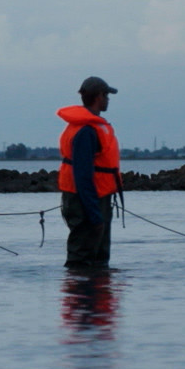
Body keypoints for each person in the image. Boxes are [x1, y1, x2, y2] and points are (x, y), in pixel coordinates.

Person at [57, 76, 120, 267]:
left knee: (98, 259)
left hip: (93, 198)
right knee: (82, 258)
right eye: (106, 95)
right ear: (99, 96)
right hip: (87, 200)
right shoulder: (86, 131)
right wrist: (94, 215)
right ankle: (79, 286)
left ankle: (95, 285)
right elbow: (82, 175)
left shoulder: (85, 127)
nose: (108, 99)